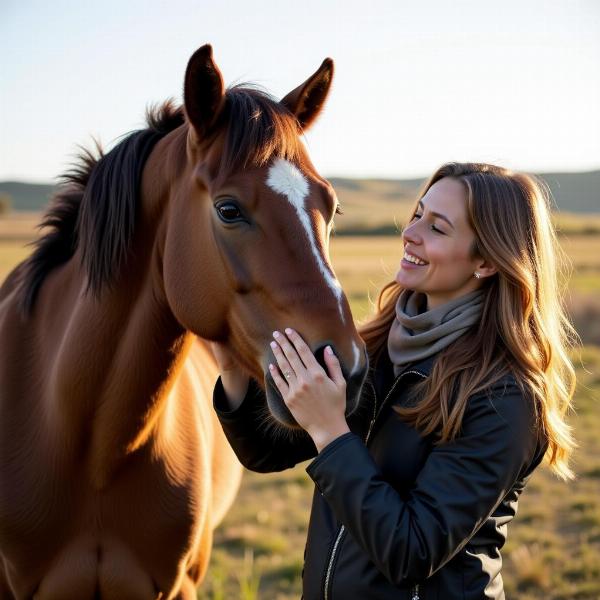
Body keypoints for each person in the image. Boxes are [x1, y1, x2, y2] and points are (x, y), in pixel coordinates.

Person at [211, 162, 577, 599]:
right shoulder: (378, 348)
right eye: (417, 214)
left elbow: (412, 552)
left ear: (486, 262)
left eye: (437, 228)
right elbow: (266, 452)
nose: (411, 233)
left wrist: (330, 431)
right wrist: (231, 365)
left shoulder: (506, 397)